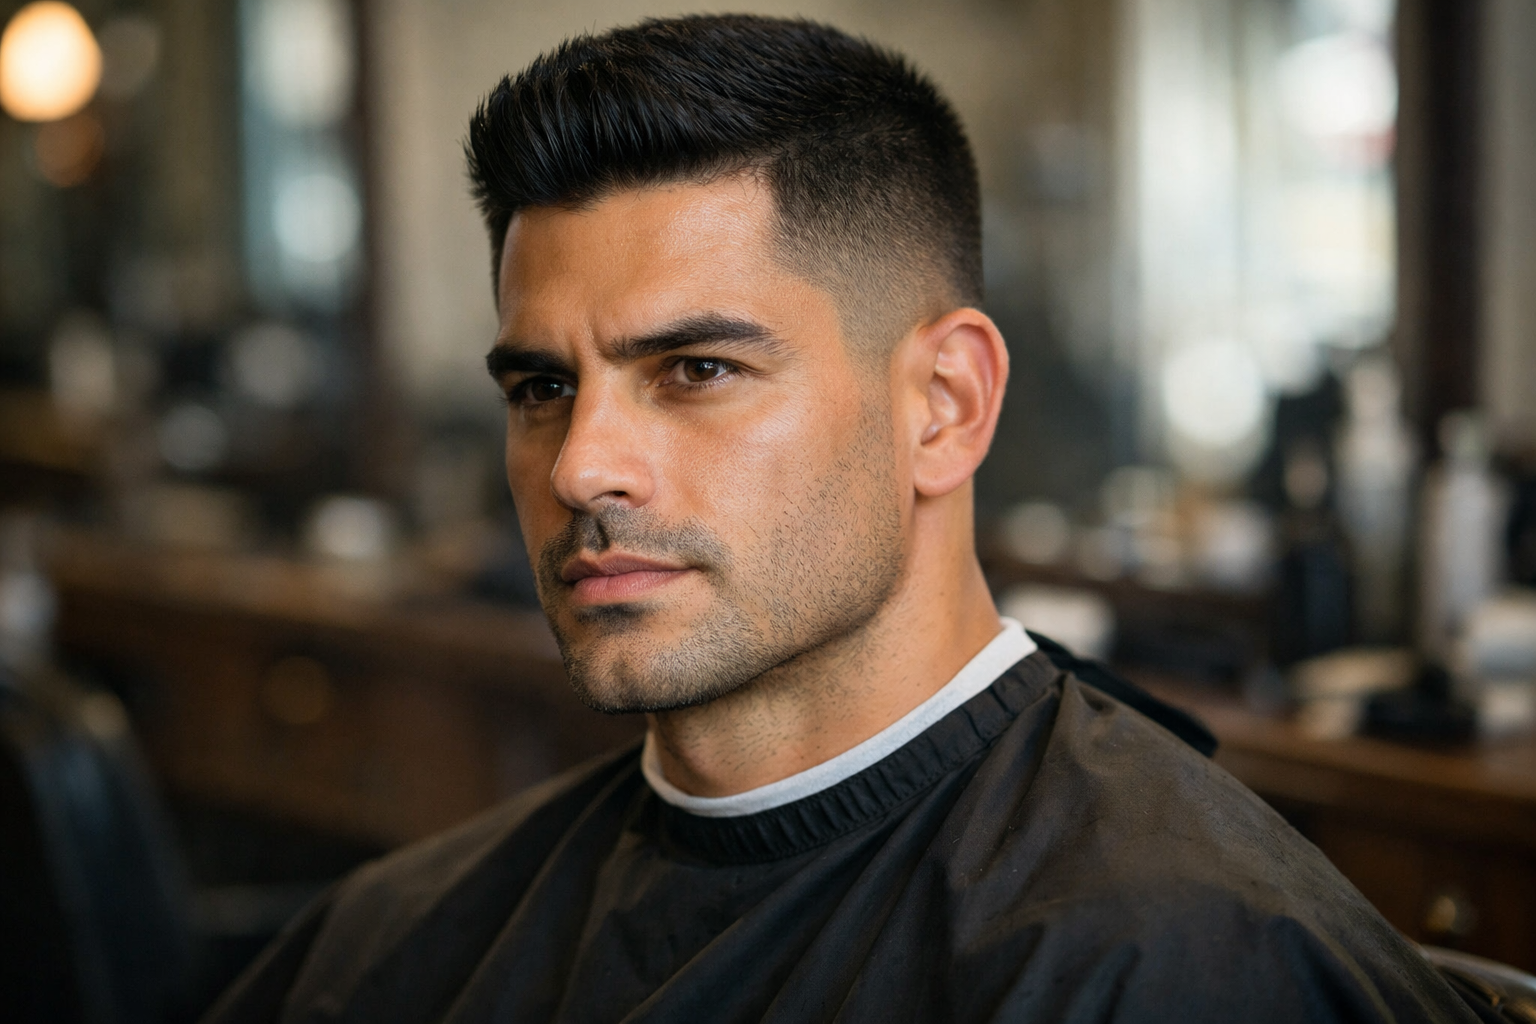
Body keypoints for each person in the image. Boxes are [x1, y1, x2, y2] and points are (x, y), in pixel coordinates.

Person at [206, 15, 1475, 1023]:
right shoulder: (407, 928)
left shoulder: (1173, 958)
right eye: (543, 387)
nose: (583, 464)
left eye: (696, 371)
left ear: (944, 405)